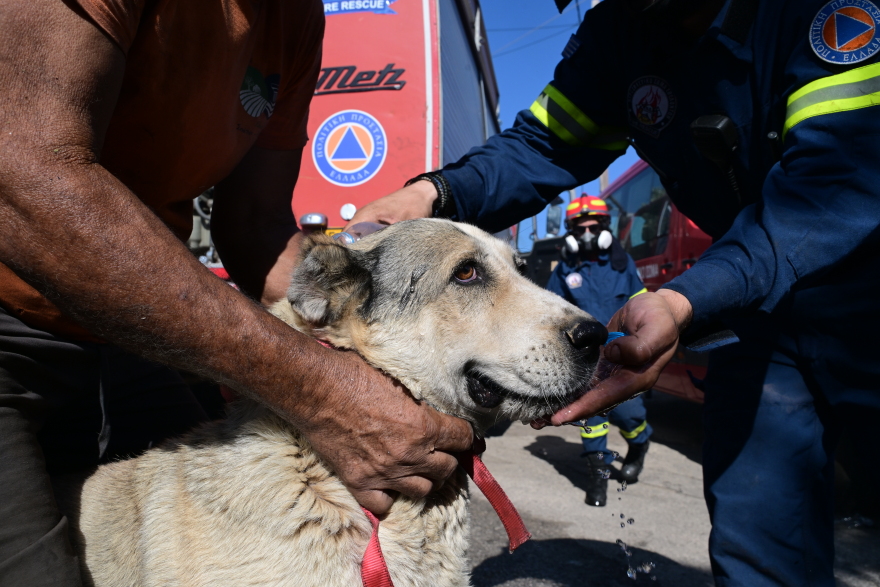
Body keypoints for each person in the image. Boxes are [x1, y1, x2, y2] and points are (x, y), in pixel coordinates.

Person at [346, 0, 880, 584]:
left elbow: (830, 191)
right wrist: (434, 194)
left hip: (863, 294)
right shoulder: (621, 34)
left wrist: (685, 299)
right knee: (760, 546)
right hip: (758, 312)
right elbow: (542, 147)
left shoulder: (820, 15)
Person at [0, 1, 473, 585]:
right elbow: (23, 172)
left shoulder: (292, 18)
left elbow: (254, 222)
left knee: (215, 517)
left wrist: (376, 325)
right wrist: (321, 390)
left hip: (125, 326)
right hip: (11, 322)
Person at [545, 196, 650, 507]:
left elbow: (643, 306)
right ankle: (598, 480)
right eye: (581, 227)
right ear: (571, 232)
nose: (588, 233)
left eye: (594, 226)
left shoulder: (623, 264)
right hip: (588, 363)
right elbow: (551, 311)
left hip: (624, 358)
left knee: (632, 418)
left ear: (606, 228)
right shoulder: (565, 269)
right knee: (593, 422)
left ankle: (639, 446)